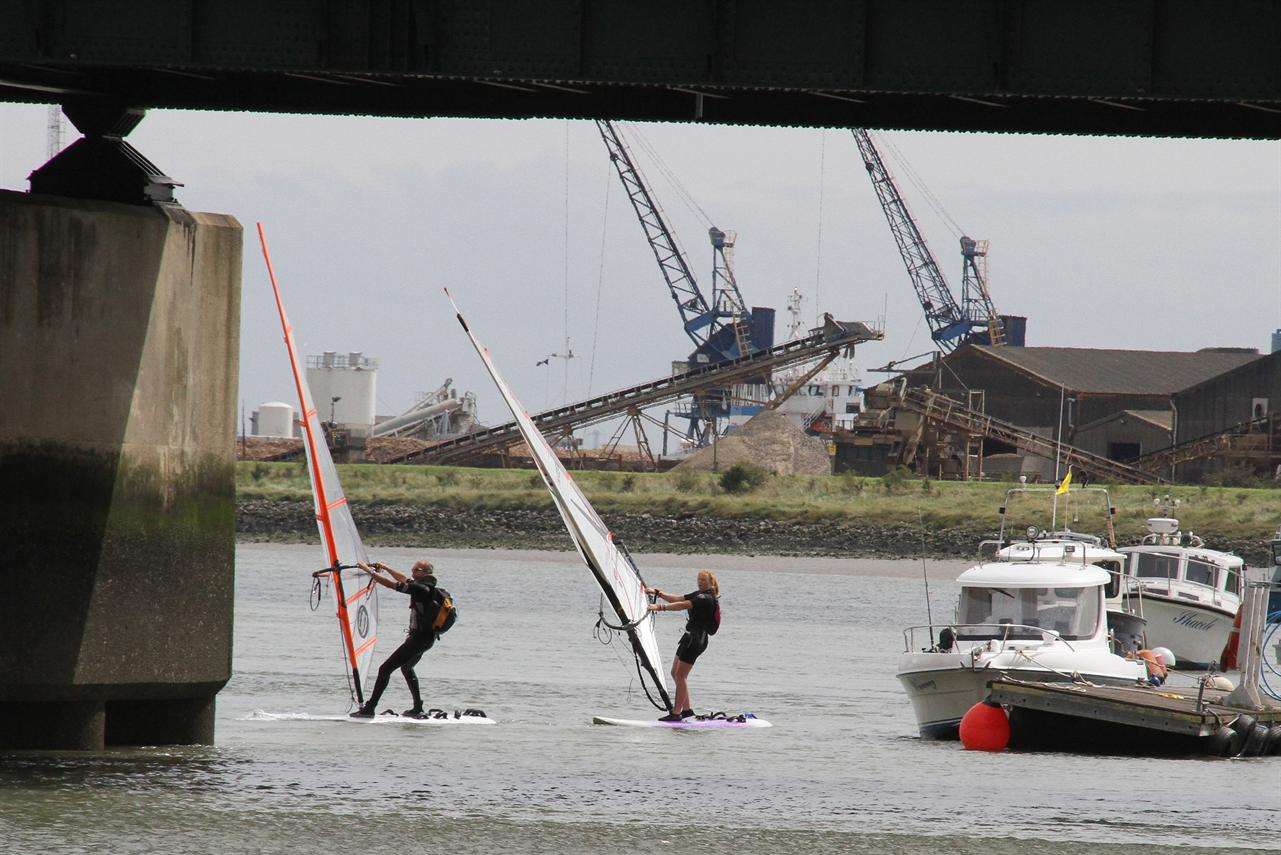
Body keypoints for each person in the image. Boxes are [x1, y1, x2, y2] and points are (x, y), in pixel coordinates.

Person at [349, 559, 454, 718]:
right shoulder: (427, 588)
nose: (412, 572)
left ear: (423, 573)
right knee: (406, 668)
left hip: (418, 640)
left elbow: (392, 584)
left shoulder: (421, 589)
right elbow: (403, 579)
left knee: (385, 669)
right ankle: (418, 707)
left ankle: (369, 708)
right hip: (426, 639)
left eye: (415, 569)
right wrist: (385, 566)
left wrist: (368, 571)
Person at [646, 570, 720, 722]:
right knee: (675, 673)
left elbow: (683, 605)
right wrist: (658, 593)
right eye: (699, 579)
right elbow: (678, 598)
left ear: (711, 583)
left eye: (704, 580)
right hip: (688, 637)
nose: (700, 582)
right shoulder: (698, 593)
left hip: (697, 639)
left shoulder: (706, 598)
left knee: (681, 676)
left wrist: (659, 607)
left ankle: (676, 713)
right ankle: (686, 711)